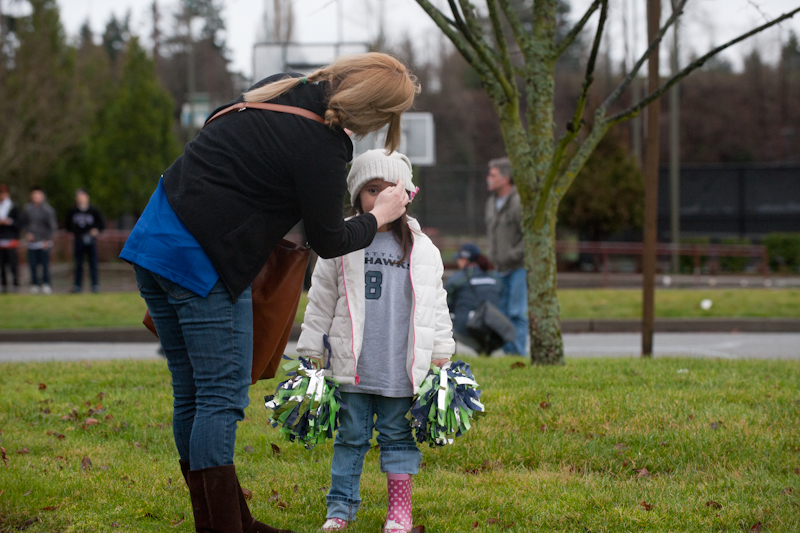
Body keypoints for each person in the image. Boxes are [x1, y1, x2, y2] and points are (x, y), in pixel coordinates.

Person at [119, 53, 418, 533]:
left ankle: (228, 520)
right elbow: (329, 240)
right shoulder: (323, 144)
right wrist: (379, 215)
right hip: (202, 261)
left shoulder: (281, 87)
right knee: (219, 396)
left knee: (192, 392)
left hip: (154, 239)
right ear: (372, 111)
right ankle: (223, 527)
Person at [297, 149, 455, 533]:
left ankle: (399, 513)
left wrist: (441, 354)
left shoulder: (423, 249)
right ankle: (340, 509)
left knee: (397, 437)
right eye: (372, 189)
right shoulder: (341, 242)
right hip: (353, 366)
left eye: (390, 189)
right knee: (350, 438)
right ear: (357, 197)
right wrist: (311, 349)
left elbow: (435, 305)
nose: (382, 197)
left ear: (406, 194)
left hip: (400, 367)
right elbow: (321, 300)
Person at [485, 157, 528, 355]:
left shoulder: (519, 202)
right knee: (501, 314)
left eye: (493, 175)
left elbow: (529, 236)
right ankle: (509, 355)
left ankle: (518, 355)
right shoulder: (491, 202)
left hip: (518, 268)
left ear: (506, 178)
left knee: (516, 313)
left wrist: (513, 254)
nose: (488, 179)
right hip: (498, 269)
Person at [444, 243, 503, 354]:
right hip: (493, 333)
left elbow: (445, 305)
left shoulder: (456, 279)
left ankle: (450, 353)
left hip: (465, 333)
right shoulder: (495, 278)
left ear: (464, 260)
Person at [65, 188, 105, 293]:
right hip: (79, 240)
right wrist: (76, 232)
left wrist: (96, 230)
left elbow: (101, 224)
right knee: (78, 263)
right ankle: (77, 286)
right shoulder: (73, 211)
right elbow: (67, 225)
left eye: (82, 196)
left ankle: (95, 285)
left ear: (87, 197)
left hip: (91, 240)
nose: (80, 198)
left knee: (93, 263)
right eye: (78, 196)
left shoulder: (93, 210)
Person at [22, 186, 58, 295]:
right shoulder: (27, 209)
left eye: (38, 194)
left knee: (45, 265)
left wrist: (47, 240)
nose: (36, 197)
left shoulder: (48, 210)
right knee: (32, 265)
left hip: (44, 242)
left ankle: (46, 284)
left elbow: (53, 227)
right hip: (32, 243)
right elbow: (24, 224)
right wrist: (27, 233)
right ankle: (34, 284)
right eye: (34, 195)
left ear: (43, 196)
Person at [0, 184, 21, 293]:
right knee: (2, 264)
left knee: (13, 263)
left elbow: (19, 223)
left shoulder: (13, 207)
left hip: (11, 238)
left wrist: (9, 222)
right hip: (1, 238)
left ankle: (15, 283)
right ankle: (3, 284)